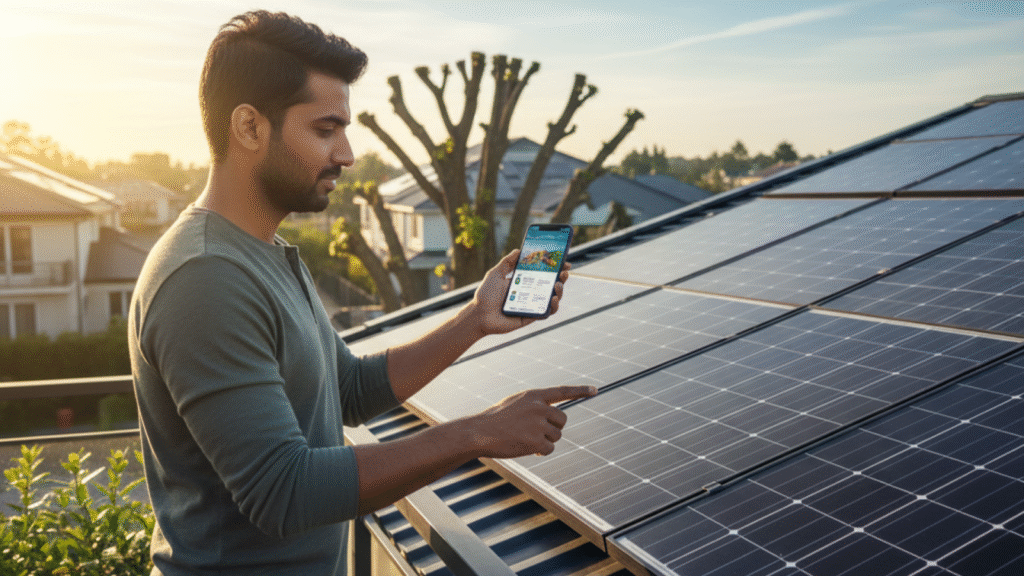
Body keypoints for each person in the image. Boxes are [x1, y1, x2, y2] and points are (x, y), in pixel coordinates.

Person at [128, 10, 595, 576]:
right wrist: (477, 432)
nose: (346, 154)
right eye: (325, 130)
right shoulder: (205, 277)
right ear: (249, 127)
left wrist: (475, 319)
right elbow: (283, 492)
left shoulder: (263, 253)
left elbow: (348, 388)